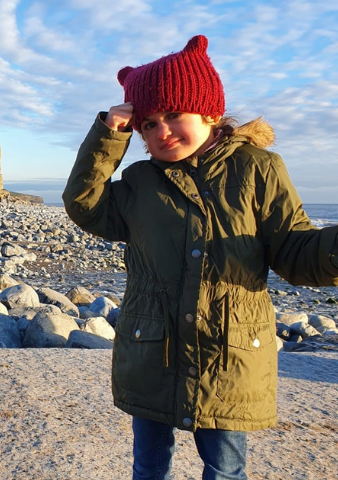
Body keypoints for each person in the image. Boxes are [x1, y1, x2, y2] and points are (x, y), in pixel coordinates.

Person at [62, 34, 338, 480]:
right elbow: (85, 204)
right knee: (149, 465)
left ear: (210, 113)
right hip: (152, 350)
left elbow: (295, 249)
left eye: (173, 114)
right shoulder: (138, 182)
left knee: (226, 468)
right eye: (147, 124)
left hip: (229, 355)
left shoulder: (257, 169)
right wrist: (107, 137)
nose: (161, 130)